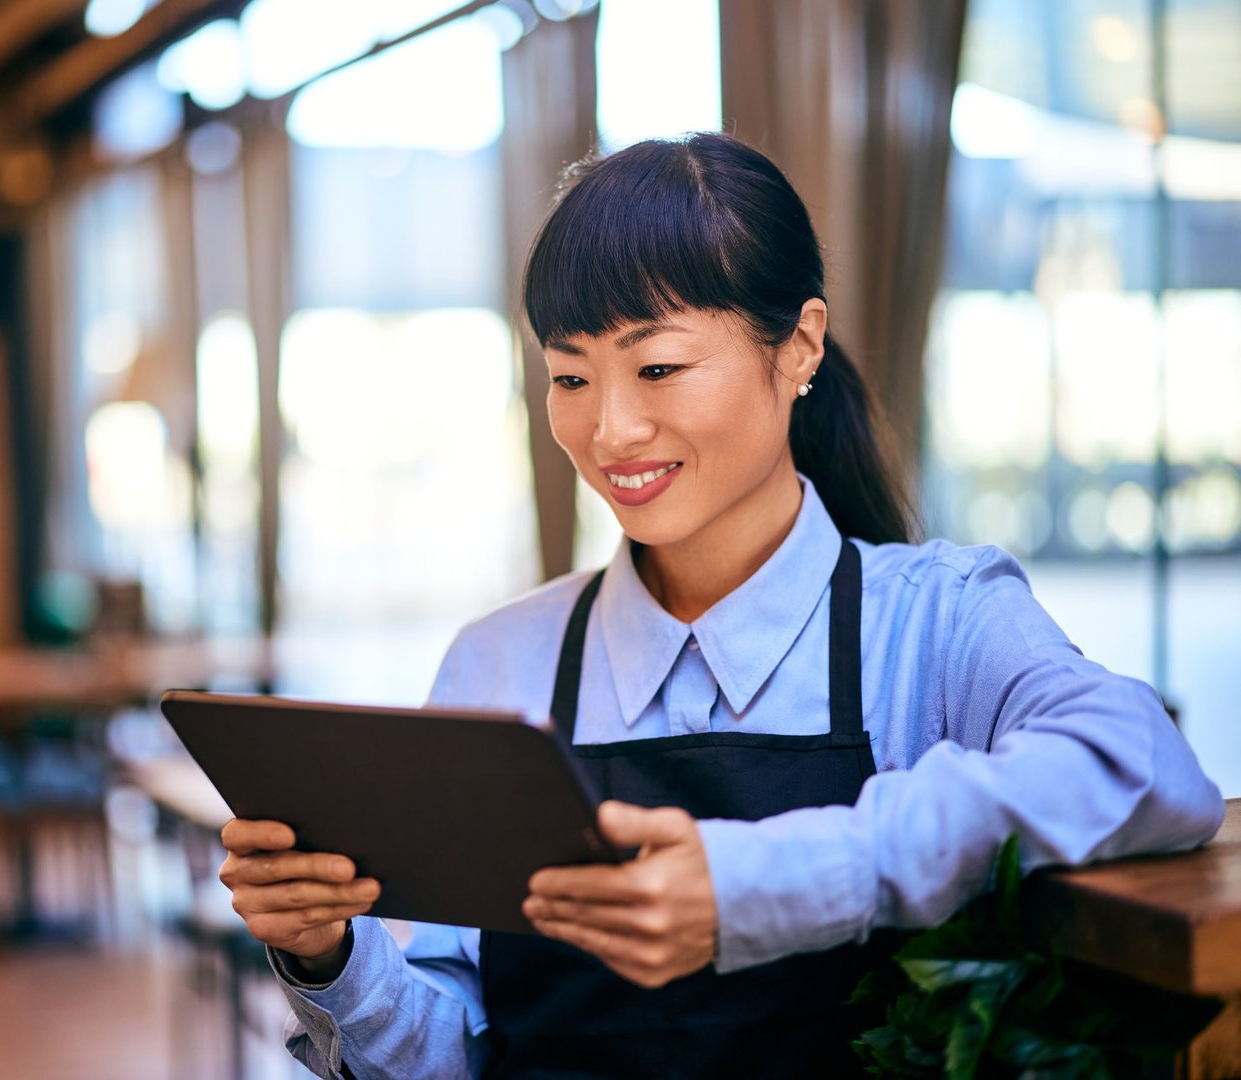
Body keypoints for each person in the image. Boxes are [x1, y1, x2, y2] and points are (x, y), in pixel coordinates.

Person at [217, 133, 1226, 1079]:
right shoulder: (498, 663)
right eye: (572, 376)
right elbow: (452, 1055)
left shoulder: (934, 622)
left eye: (658, 368)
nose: (611, 430)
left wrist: (763, 882)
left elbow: (1141, 766)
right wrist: (330, 955)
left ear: (799, 347)